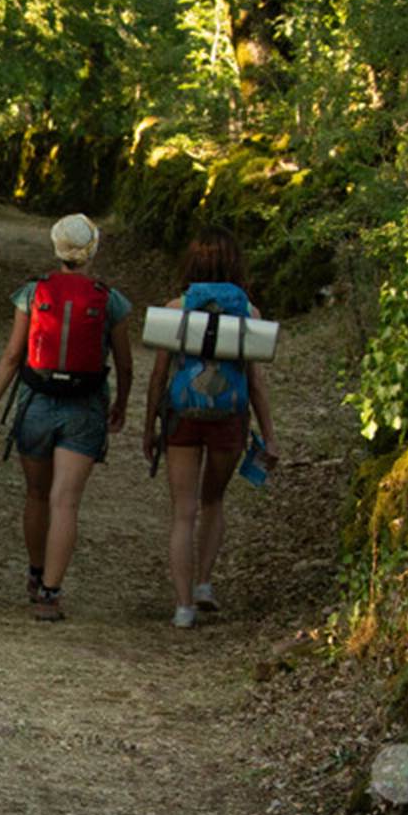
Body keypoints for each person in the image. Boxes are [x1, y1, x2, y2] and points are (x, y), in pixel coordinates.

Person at [0, 214, 134, 622]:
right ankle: (50, 593)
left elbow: (14, 355)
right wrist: (122, 403)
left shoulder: (32, 293)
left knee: (36, 494)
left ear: (56, 247)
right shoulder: (110, 299)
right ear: (92, 250)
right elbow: (125, 363)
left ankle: (34, 573)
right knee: (65, 502)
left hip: (36, 402)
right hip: (84, 406)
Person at [142, 228, 277, 628]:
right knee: (213, 500)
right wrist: (269, 435)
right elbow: (255, 382)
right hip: (228, 420)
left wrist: (149, 425)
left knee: (182, 512)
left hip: (184, 417)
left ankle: (182, 607)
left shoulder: (175, 307)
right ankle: (203, 583)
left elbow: (159, 375)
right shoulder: (249, 314)